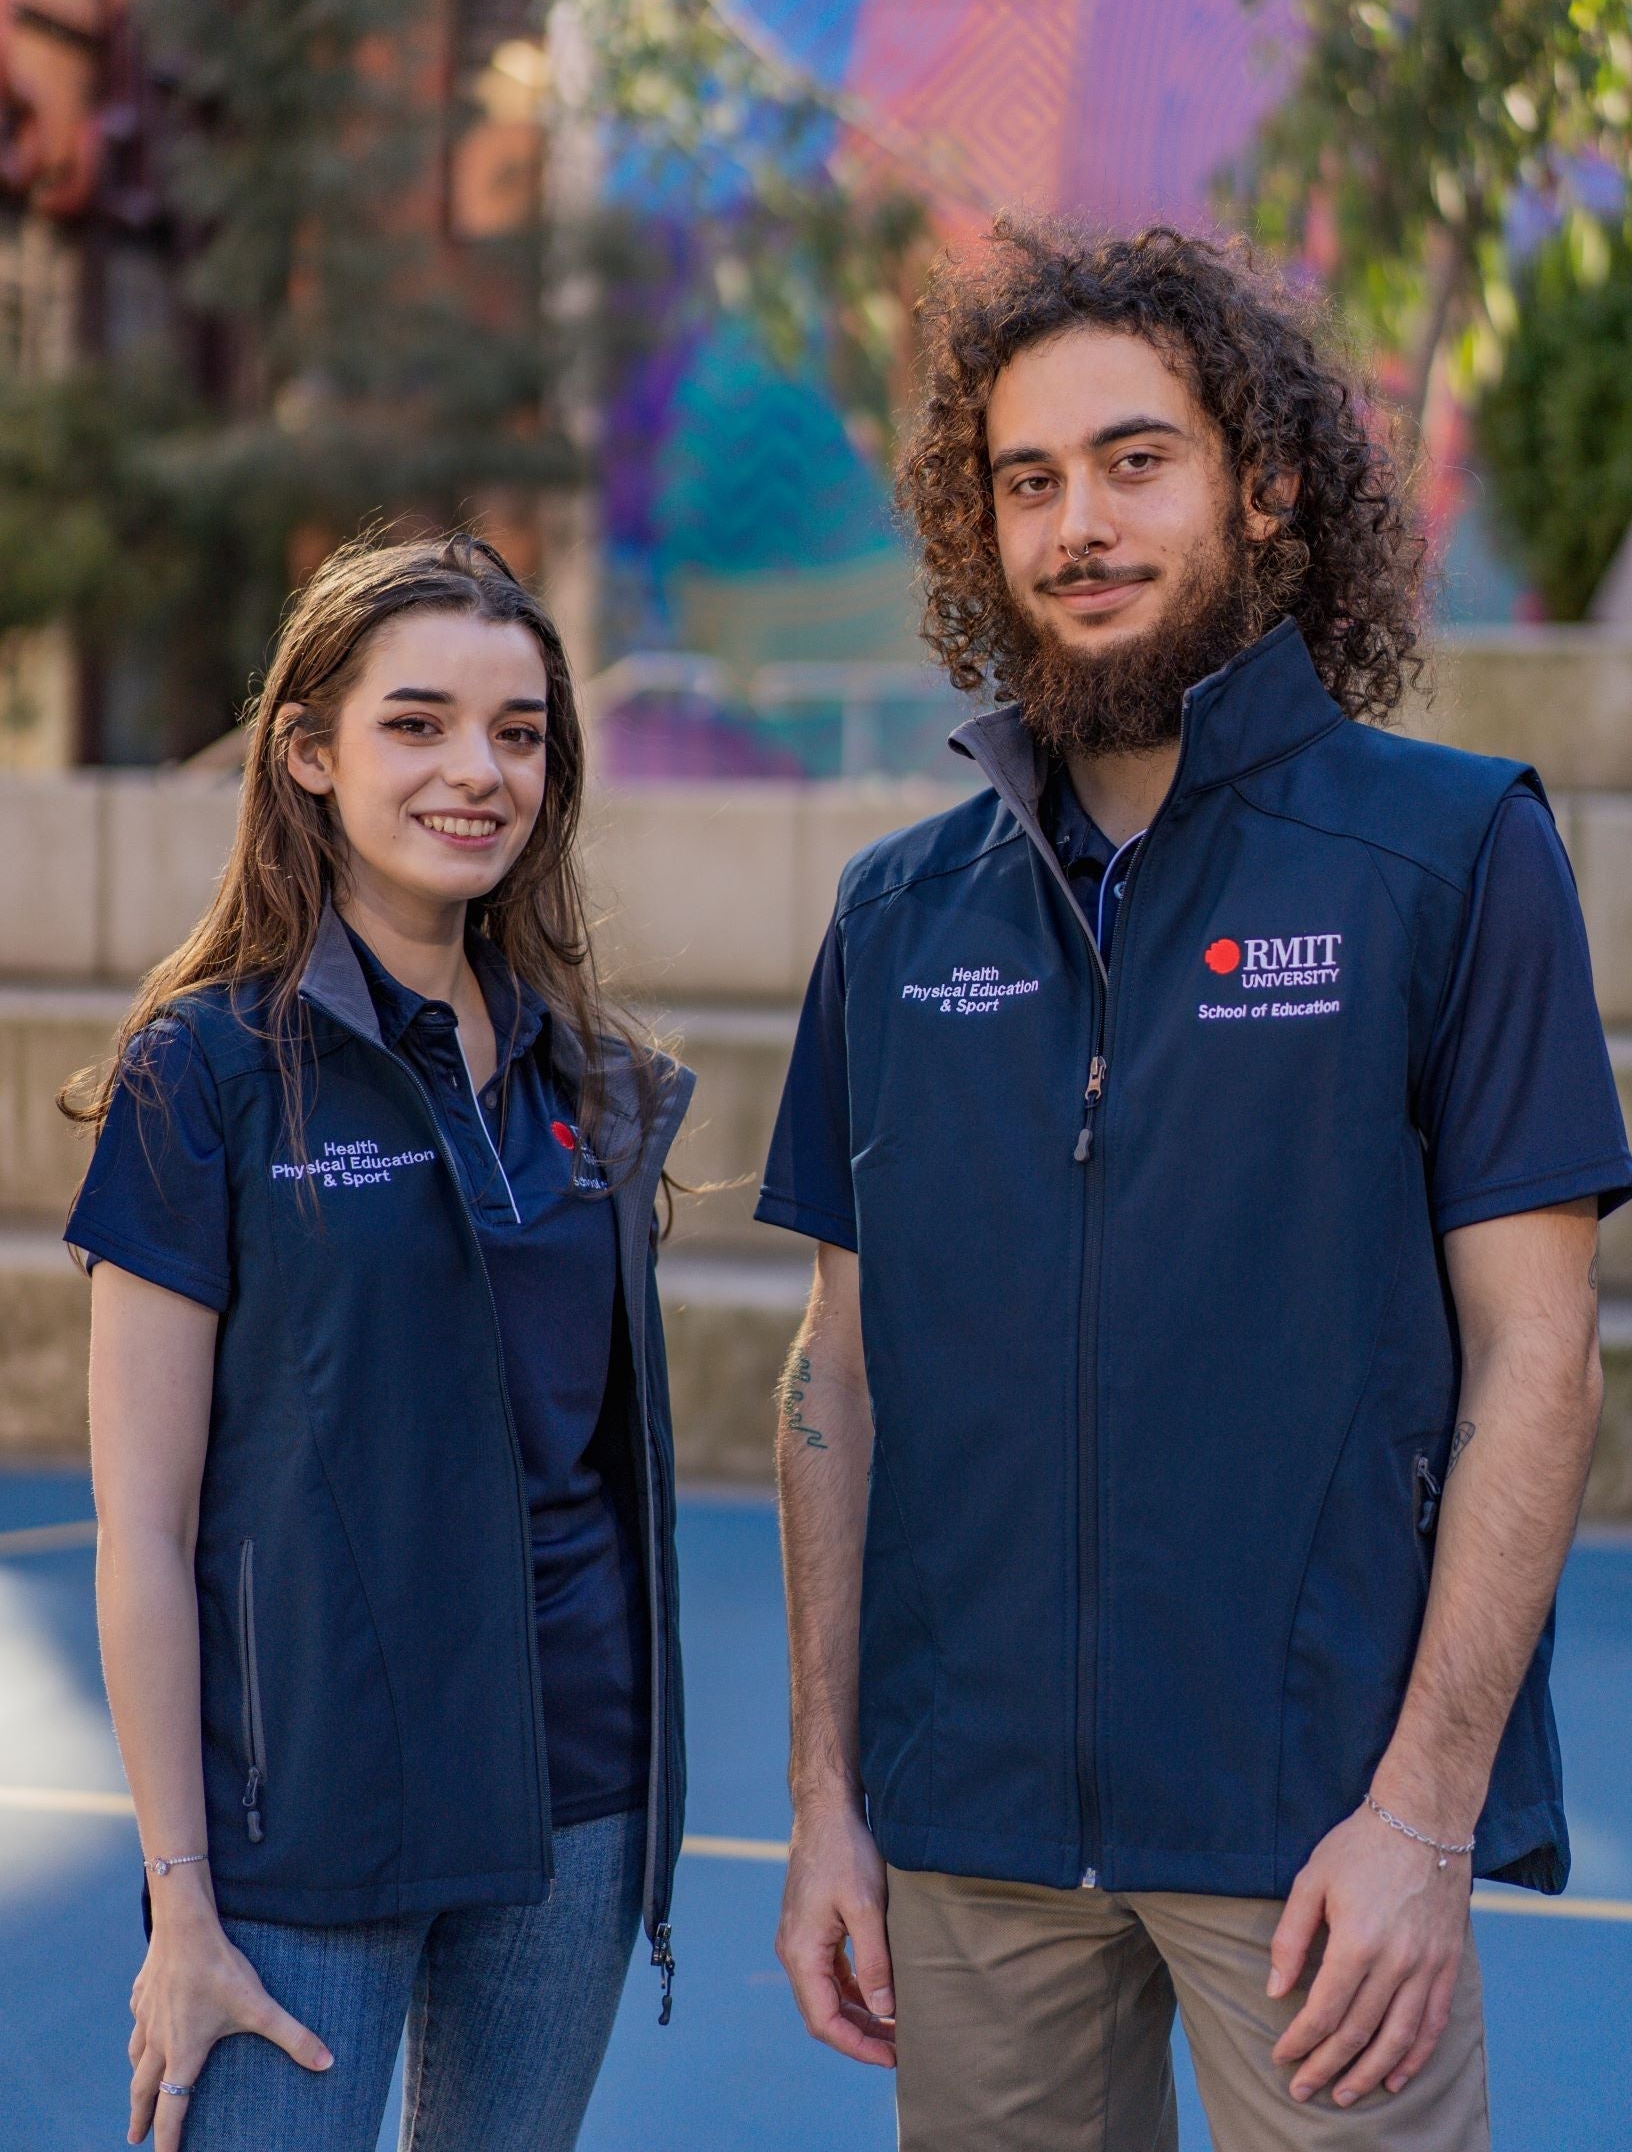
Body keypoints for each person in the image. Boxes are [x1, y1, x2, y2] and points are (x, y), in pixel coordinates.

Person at [760, 220, 1632, 2150]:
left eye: (1135, 460)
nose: (1080, 520)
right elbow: (839, 1374)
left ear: (1270, 482)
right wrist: (830, 1795)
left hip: (1315, 1830)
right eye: (1028, 479)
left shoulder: (1453, 856)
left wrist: (1421, 1811)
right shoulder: (896, 915)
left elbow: (1538, 1361)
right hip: (970, 1833)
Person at [63, 532, 692, 2152]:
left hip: (577, 1788)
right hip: (309, 1819)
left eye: (520, 731)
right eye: (416, 722)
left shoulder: (593, 1083)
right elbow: (142, 1526)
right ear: (310, 752)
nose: (475, 771)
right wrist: (180, 1904)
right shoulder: (197, 1076)